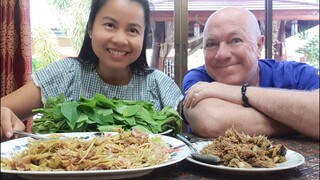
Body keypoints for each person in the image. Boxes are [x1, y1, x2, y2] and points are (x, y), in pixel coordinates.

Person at [1, 0, 183, 141]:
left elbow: (194, 127)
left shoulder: (159, 84)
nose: (120, 39)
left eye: (133, 30)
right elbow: (4, 108)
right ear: (90, 29)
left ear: (144, 37)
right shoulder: (65, 74)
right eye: (110, 25)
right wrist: (4, 117)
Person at [182, 7, 319, 140]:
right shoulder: (198, 78)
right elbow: (211, 121)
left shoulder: (297, 74)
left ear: (258, 46)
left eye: (235, 40)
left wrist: (240, 92)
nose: (221, 54)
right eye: (211, 44)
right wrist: (302, 121)